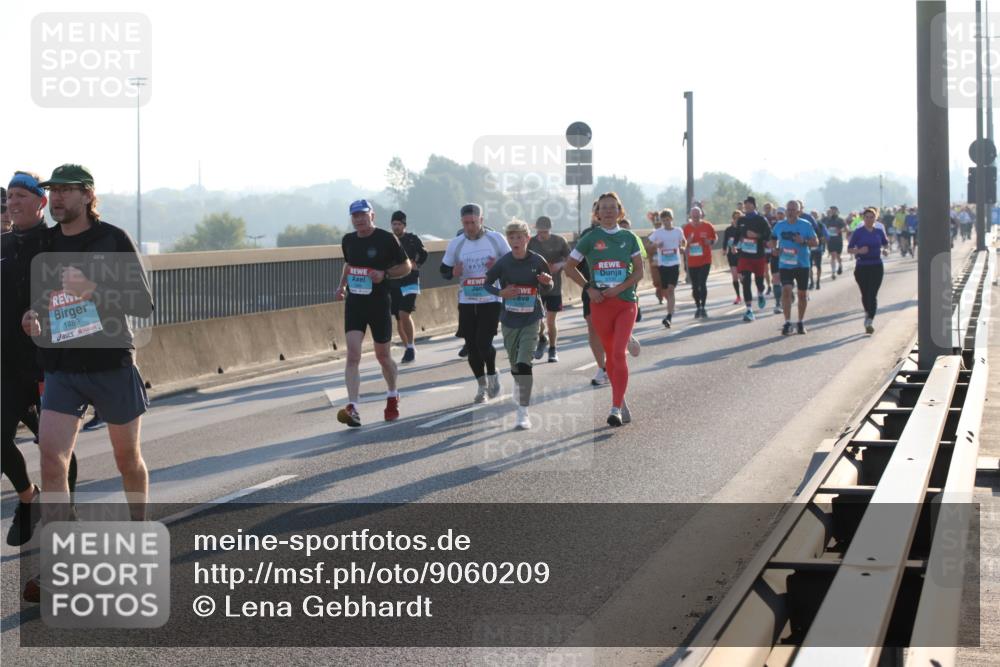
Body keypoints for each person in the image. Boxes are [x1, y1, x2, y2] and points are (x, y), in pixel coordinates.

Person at [21, 165, 153, 602]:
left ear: (87, 195)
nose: (57, 198)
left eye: (66, 190)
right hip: (62, 366)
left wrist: (93, 288)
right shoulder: (46, 243)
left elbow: (142, 303)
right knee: (51, 457)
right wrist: (33, 318)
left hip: (110, 362)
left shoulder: (112, 240)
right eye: (53, 191)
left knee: (127, 458)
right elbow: (43, 299)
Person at [2, 171, 79, 547]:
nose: (13, 202)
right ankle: (29, 498)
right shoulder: (2, 245)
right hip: (8, 366)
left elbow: (80, 299)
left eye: (21, 195)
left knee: (56, 448)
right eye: (10, 196)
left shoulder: (57, 244)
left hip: (50, 365)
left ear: (41, 202)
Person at [565, 192, 643, 427]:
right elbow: (569, 268)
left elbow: (639, 272)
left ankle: (615, 408)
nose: (608, 211)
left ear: (620, 211)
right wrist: (589, 289)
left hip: (625, 303)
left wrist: (619, 288)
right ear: (597, 213)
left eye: (612, 207)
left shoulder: (629, 238)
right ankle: (621, 398)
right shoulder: (590, 239)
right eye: (603, 207)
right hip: (600, 305)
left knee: (618, 353)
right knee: (610, 356)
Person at [334, 199, 411, 427]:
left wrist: (384, 274)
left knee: (383, 357)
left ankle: (392, 395)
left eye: (363, 215)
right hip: (355, 304)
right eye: (355, 216)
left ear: (372, 216)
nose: (359, 219)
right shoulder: (348, 240)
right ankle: (353, 406)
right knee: (353, 355)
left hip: (378, 303)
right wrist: (342, 286)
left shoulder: (387, 239)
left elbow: (406, 266)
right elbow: (349, 265)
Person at [484, 219, 553, 429]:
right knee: (515, 366)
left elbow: (549, 285)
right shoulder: (503, 262)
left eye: (519, 237)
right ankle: (518, 383)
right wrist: (501, 293)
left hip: (532, 317)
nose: (515, 241)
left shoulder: (537, 260)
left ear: (527, 239)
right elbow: (486, 283)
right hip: (509, 319)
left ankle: (523, 412)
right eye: (511, 237)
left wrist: (546, 282)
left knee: (524, 364)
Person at [441, 203, 511, 403]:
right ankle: (481, 386)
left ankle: (492, 374)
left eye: (473, 222)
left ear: (481, 220)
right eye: (466, 223)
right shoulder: (456, 243)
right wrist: (452, 272)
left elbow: (512, 263)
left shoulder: (496, 239)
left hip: (491, 298)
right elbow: (443, 271)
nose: (469, 227)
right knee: (471, 346)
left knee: (483, 342)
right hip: (467, 300)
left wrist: (497, 266)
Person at [527, 216, 570, 363]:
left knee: (551, 321)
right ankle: (542, 338)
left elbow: (571, 260)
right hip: (536, 287)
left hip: (554, 288)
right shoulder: (531, 242)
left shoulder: (560, 241)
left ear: (550, 229)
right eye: (540, 232)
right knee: (537, 321)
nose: (542, 235)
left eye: (545, 232)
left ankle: (553, 349)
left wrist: (559, 265)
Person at [772, 200, 818, 335]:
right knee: (786, 290)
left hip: (802, 264)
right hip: (785, 264)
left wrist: (803, 241)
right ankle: (787, 322)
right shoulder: (779, 225)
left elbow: (815, 242)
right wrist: (775, 249)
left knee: (802, 295)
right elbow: (772, 238)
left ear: (798, 212)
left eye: (793, 210)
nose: (790, 212)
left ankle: (800, 322)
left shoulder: (806, 225)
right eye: (788, 210)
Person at [387, 210, 428, 364]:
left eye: (399, 224)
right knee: (398, 318)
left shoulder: (412, 239)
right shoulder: (388, 240)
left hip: (410, 281)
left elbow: (424, 253)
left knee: (404, 313)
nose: (396, 227)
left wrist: (417, 264)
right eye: (394, 224)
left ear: (404, 225)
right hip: (394, 282)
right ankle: (408, 348)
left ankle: (410, 346)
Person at [578, 204, 609, 386]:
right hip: (591, 287)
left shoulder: (621, 234)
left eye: (607, 209)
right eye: (600, 210)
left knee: (611, 328)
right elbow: (575, 263)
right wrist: (587, 285)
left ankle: (613, 362)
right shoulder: (587, 235)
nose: (603, 213)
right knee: (592, 326)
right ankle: (602, 367)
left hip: (615, 288)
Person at [848, 207, 891, 334]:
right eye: (867, 217)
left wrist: (886, 250)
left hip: (876, 265)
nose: (869, 219)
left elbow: (886, 244)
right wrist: (859, 251)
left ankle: (870, 320)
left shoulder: (879, 231)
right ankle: (868, 312)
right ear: (863, 218)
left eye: (872, 217)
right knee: (865, 294)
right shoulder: (858, 232)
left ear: (875, 218)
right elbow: (849, 249)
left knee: (872, 294)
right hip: (862, 266)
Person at [735, 196, 772, 321]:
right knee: (745, 282)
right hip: (745, 256)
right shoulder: (741, 220)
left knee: (759, 282)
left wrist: (757, 235)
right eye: (745, 205)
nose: (747, 207)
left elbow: (768, 235)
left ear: (754, 206)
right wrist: (734, 245)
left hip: (758, 256)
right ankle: (749, 310)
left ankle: (760, 293)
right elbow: (737, 235)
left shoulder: (761, 219)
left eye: (750, 205)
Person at [648, 208, 685, 327]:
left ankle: (669, 316)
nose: (666, 222)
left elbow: (683, 242)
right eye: (664, 220)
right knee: (665, 292)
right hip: (663, 265)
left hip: (674, 263)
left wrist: (683, 248)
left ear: (672, 219)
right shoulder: (658, 232)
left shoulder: (678, 231)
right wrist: (656, 245)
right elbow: (648, 246)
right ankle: (671, 308)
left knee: (670, 289)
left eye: (668, 220)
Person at [683, 205, 717, 318]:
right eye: (694, 216)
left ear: (701, 215)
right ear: (690, 216)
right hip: (692, 261)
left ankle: (703, 307)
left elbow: (715, 238)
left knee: (702, 283)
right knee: (695, 286)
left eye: (697, 216)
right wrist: (687, 242)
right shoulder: (686, 228)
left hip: (705, 260)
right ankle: (698, 307)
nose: (696, 218)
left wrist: (710, 242)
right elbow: (682, 245)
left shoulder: (708, 226)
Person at [769, 207, 786, 314]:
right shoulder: (773, 226)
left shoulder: (790, 225)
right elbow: (770, 240)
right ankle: (778, 303)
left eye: (781, 214)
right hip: (775, 255)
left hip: (788, 256)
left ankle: (788, 294)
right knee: (776, 278)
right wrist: (773, 249)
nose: (779, 215)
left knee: (786, 280)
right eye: (778, 214)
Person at [724, 210, 742, 304]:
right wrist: (724, 249)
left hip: (742, 254)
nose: (736, 220)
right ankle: (738, 296)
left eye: (738, 218)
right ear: (733, 219)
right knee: (735, 277)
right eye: (735, 218)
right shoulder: (728, 230)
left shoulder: (743, 229)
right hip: (731, 255)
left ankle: (746, 292)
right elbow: (725, 241)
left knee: (741, 277)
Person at [645, 211, 664, 304]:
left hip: (666, 261)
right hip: (654, 261)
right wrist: (654, 247)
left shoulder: (666, 233)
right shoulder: (650, 235)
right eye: (656, 224)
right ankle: (659, 295)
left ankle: (663, 295)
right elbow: (646, 248)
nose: (658, 225)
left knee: (664, 280)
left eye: (659, 223)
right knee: (657, 281)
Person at [824, 206, 847, 280]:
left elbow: (845, 228)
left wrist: (840, 230)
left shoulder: (840, 220)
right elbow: (824, 228)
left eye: (834, 210)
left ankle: (840, 265)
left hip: (838, 240)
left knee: (838, 256)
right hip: (830, 240)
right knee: (833, 255)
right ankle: (833, 272)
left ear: (837, 211)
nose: (833, 212)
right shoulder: (827, 220)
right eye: (831, 210)